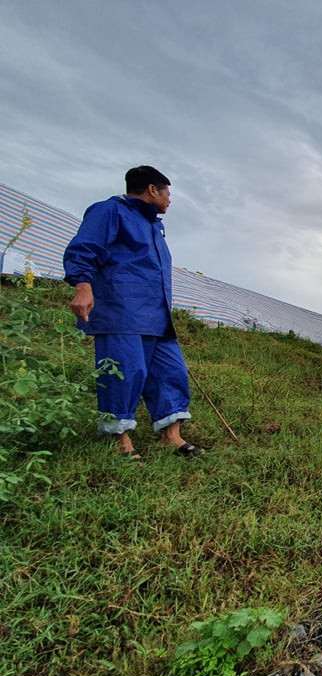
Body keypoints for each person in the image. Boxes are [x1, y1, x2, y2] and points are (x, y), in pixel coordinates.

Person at [63, 166, 204, 459]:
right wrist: (83, 286)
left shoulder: (153, 226)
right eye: (167, 193)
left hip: (157, 314)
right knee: (125, 371)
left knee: (171, 371)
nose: (169, 199)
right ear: (152, 189)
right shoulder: (110, 211)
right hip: (122, 309)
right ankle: (119, 438)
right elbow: (85, 248)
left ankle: (171, 435)